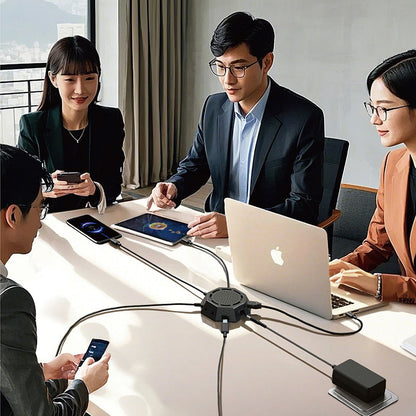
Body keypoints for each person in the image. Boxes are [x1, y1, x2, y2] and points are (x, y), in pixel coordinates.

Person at [147, 11, 324, 238]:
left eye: (239, 67)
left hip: (271, 239)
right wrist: (174, 187)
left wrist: (238, 225)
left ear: (266, 62)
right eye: (220, 67)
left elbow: (303, 206)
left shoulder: (303, 118)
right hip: (215, 233)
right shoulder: (213, 107)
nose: (227, 80)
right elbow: (196, 165)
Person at [0, 144, 111, 415]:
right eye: (40, 208)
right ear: (13, 216)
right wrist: (83, 385)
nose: (39, 222)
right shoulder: (10, 301)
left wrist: (43, 372)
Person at [329, 50, 416, 303]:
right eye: (372, 107)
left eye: (384, 109)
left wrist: (378, 284)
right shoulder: (393, 163)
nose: (373, 119)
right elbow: (376, 246)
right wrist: (338, 268)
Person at [18, 35, 125, 213]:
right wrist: (46, 187)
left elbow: (114, 186)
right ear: (53, 79)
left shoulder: (110, 120)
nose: (80, 89)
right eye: (69, 79)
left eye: (89, 78)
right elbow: (20, 187)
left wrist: (95, 189)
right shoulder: (33, 125)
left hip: (97, 218)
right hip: (51, 222)